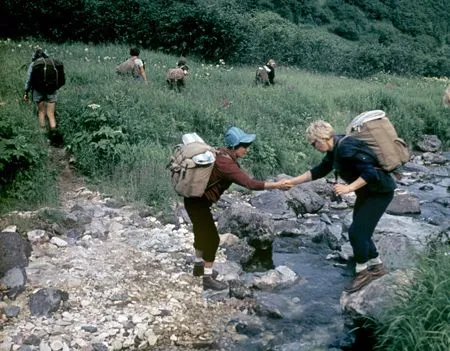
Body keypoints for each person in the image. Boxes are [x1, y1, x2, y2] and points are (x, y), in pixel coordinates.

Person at [283, 120, 396, 293]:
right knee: (362, 231)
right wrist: (292, 182)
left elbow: (371, 172)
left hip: (380, 193)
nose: (313, 146)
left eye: (314, 143)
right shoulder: (334, 150)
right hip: (367, 193)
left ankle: (363, 273)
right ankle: (377, 266)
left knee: (356, 233)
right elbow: (319, 170)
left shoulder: (345, 147)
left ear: (322, 138)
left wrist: (348, 188)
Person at [184, 127, 290, 291]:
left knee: (201, 234)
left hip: (194, 201)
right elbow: (250, 184)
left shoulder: (221, 153)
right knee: (212, 239)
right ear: (234, 146)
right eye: (244, 146)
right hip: (198, 203)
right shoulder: (226, 164)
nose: (247, 149)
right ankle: (206, 278)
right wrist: (277, 185)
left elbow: (242, 178)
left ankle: (198, 268)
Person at [23, 48, 58, 131]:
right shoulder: (51, 63)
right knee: (51, 114)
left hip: (38, 90)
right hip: (51, 90)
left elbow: (28, 79)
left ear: (35, 56)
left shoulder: (33, 64)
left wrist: (26, 92)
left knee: (41, 112)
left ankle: (43, 133)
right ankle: (54, 133)